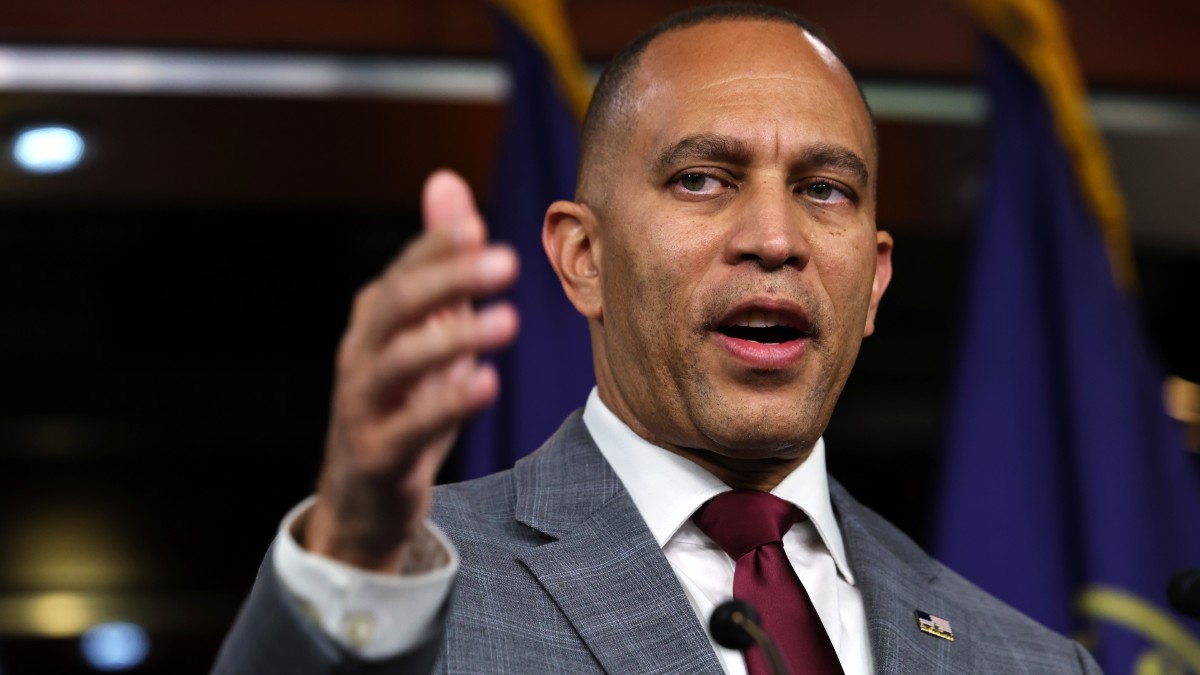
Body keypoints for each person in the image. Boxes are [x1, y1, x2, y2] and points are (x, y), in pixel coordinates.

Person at [213, 5, 1102, 674]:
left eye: (824, 188)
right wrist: (352, 568)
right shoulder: (410, 584)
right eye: (702, 179)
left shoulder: (1026, 657)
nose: (775, 237)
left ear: (873, 281)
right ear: (584, 257)